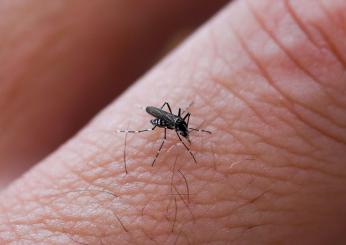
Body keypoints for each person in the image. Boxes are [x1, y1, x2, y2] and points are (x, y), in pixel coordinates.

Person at [0, 0, 345, 244]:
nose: (186, 132)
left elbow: (185, 125)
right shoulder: (172, 127)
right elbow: (171, 125)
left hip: (165, 116)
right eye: (185, 129)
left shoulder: (182, 124)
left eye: (185, 129)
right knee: (162, 134)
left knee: (173, 126)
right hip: (157, 117)